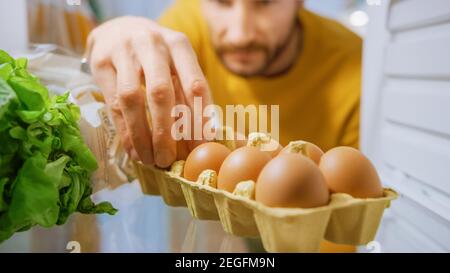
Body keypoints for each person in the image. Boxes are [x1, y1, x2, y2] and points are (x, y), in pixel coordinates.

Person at [86, 0, 362, 252]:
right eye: (222, 2)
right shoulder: (188, 27)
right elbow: (131, 104)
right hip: (223, 223)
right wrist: (112, 34)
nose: (240, 34)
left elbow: (346, 224)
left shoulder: (356, 69)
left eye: (265, 3)